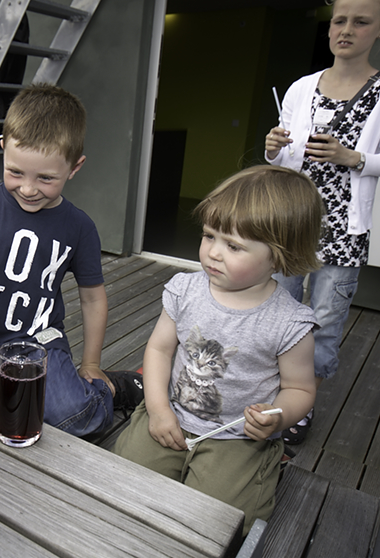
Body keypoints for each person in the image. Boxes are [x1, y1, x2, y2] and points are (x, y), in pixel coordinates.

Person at [113, 166, 323, 536]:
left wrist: (278, 418)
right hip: (172, 414)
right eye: (209, 235)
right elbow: (160, 350)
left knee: (218, 520)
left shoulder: (289, 323)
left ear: (278, 256)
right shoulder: (185, 290)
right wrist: (159, 410)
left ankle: (267, 465)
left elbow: (300, 389)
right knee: (122, 482)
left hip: (237, 439)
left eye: (234, 246)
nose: (213, 252)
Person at [0, 84, 144, 437]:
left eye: (45, 178)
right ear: (3, 150)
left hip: (39, 341)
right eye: (15, 172)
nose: (28, 189)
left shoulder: (79, 227)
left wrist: (91, 363)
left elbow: (93, 299)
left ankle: (113, 390)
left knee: (75, 419)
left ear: (74, 167)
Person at [265, 0, 380, 444]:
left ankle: (301, 403)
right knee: (277, 312)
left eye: (361, 22)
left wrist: (353, 157)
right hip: (293, 223)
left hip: (344, 231)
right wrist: (273, 148)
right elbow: (285, 158)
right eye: (339, 20)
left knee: (324, 323)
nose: (346, 29)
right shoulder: (301, 87)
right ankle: (271, 391)